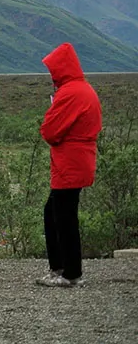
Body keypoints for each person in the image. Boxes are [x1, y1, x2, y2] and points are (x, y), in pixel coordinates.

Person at [37, 42, 103, 288]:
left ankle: (69, 272)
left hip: (69, 162)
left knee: (62, 216)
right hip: (78, 160)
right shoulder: (82, 89)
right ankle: (61, 268)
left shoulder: (70, 93)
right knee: (56, 212)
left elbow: (50, 131)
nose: (51, 75)